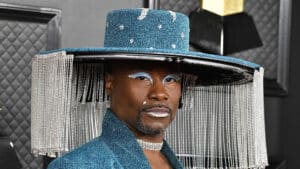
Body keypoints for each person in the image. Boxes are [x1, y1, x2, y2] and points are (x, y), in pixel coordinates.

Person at [31, 8, 267, 169]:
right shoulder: (77, 166)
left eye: (171, 79)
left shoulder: (172, 161)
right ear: (109, 82)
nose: (160, 93)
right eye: (142, 77)